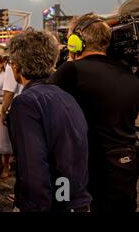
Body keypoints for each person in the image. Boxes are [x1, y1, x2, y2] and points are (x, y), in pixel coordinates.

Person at [52, 14, 139, 212]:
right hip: (125, 167)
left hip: (89, 170)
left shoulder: (71, 71)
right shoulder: (130, 74)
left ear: (77, 41)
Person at [8, 30, 91, 212]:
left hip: (51, 204)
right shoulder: (67, 97)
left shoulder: (25, 103)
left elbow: (33, 168)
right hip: (76, 199)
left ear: (16, 66)